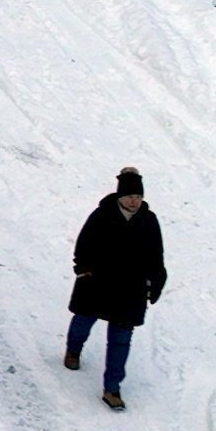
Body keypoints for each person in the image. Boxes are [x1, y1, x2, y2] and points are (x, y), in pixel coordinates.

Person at [64, 168, 166, 411]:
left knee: (120, 340)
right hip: (98, 283)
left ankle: (112, 388)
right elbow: (84, 244)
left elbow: (156, 255)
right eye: (131, 196)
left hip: (131, 290)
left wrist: (157, 282)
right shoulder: (102, 215)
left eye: (139, 197)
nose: (135, 201)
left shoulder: (149, 221)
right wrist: (83, 269)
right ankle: (73, 349)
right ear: (120, 196)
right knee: (83, 320)